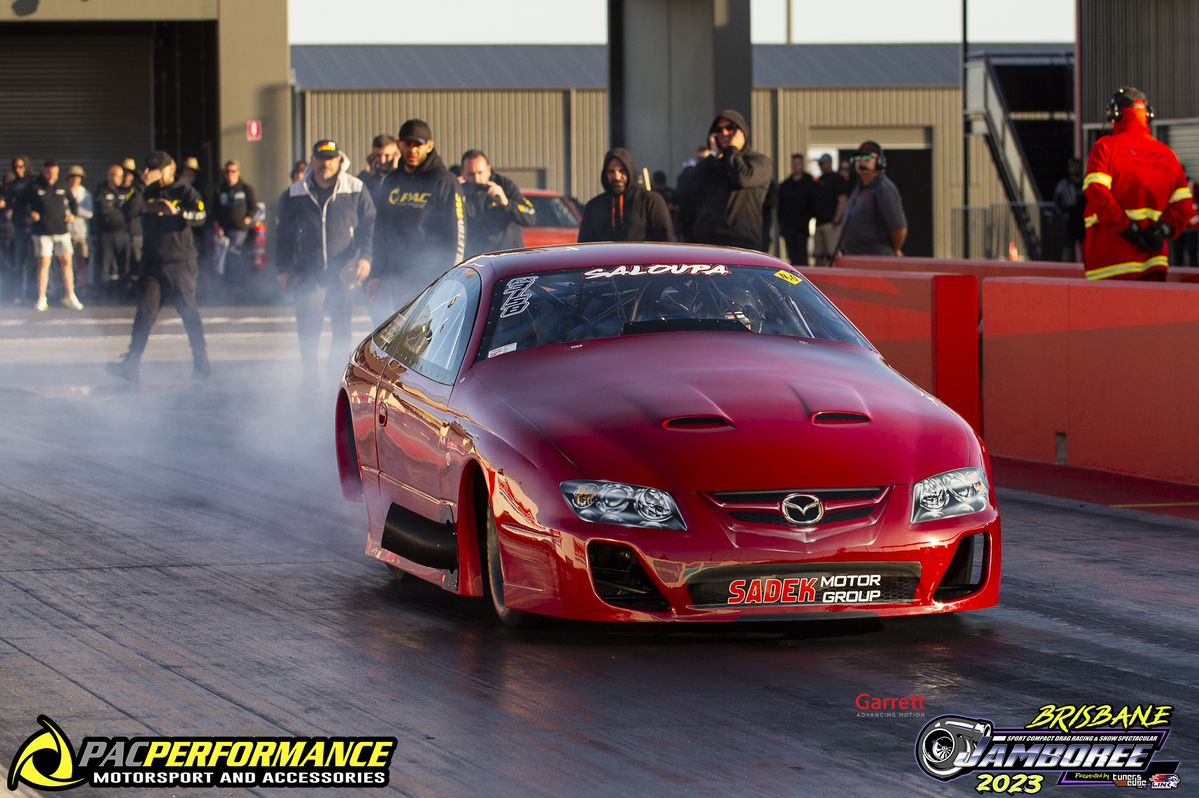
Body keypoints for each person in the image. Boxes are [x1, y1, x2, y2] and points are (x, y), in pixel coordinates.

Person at [276, 140, 375, 395]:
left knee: (342, 329)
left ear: (340, 160)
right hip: (309, 274)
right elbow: (283, 233)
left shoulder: (355, 188)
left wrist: (365, 257)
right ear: (313, 161)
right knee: (308, 327)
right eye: (320, 158)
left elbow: (369, 225)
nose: (325, 163)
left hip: (344, 273)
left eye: (330, 158)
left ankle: (336, 381)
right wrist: (282, 268)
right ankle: (309, 379)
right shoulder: (295, 192)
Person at [105, 151, 209, 382]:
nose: (156, 175)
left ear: (171, 167)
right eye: (152, 171)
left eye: (159, 170)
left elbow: (201, 214)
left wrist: (177, 212)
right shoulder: (147, 190)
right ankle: (131, 364)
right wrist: (142, 183)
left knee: (188, 311)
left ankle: (202, 364)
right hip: (152, 261)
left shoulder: (185, 190)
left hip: (180, 261)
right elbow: (126, 208)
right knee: (145, 312)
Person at [1083, 87, 1191, 281]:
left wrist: (1130, 230)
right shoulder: (1167, 155)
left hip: (1109, 263)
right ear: (1147, 114)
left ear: (1115, 113)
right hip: (1153, 264)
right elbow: (1184, 207)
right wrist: (1161, 231)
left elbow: (1098, 196)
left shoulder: (1104, 148)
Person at [368, 119, 465, 322]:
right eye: (407, 144)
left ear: (429, 146)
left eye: (418, 145)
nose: (412, 150)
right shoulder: (392, 180)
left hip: (432, 279)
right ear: (398, 144)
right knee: (401, 333)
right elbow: (380, 230)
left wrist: (450, 279)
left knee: (428, 333)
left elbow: (457, 234)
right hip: (397, 278)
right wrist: (376, 272)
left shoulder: (445, 181)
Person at [678, 110, 773, 249]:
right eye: (718, 130)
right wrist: (712, 155)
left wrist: (733, 149)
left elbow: (741, 178)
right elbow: (687, 190)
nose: (724, 133)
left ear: (741, 132)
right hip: (706, 242)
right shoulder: (712, 164)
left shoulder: (759, 161)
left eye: (730, 128)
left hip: (740, 243)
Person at [16, 160, 82, 311]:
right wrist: (30, 213)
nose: (51, 176)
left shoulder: (62, 185)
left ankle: (70, 295)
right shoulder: (34, 185)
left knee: (67, 262)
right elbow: (20, 202)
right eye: (48, 173)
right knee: (44, 263)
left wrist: (73, 215)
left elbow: (73, 203)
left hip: (62, 231)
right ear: (43, 171)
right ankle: (41, 298)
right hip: (42, 232)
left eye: (54, 174)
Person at [578, 148, 673, 243]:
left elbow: (665, 242)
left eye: (622, 171)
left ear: (630, 171)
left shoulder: (651, 202)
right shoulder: (594, 206)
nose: (617, 177)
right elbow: (584, 245)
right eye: (611, 171)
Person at [459, 149, 535, 257]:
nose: (476, 178)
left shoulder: (504, 185)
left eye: (480, 173)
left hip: (508, 256)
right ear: (462, 172)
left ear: (488, 170)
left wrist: (506, 203)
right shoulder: (458, 190)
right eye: (471, 174)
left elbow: (530, 217)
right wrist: (456, 204)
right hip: (475, 257)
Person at [838, 141, 907, 258]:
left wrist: (895, 249)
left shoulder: (883, 187)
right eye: (858, 157)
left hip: (876, 258)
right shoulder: (859, 186)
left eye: (867, 157)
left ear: (879, 161)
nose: (861, 160)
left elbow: (899, 228)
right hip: (854, 257)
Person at [213, 160, 257, 280]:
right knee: (224, 258)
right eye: (227, 171)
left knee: (235, 253)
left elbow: (254, 207)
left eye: (233, 171)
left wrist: (248, 219)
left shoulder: (245, 188)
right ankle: (227, 283)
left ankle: (239, 282)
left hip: (240, 229)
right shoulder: (219, 190)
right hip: (224, 231)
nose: (230, 174)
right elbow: (214, 211)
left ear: (238, 172)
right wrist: (217, 226)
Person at [93, 164, 131, 291]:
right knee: (104, 265)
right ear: (109, 176)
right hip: (106, 234)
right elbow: (104, 209)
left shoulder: (124, 191)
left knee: (124, 265)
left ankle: (123, 292)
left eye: (121, 176)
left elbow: (130, 209)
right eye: (115, 176)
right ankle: (102, 293)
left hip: (123, 233)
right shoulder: (101, 190)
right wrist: (119, 208)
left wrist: (115, 207)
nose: (119, 179)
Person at [777, 154, 818, 265]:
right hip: (788, 228)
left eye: (798, 164)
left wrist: (807, 219)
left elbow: (813, 204)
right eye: (794, 164)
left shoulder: (809, 183)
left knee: (802, 255)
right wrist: (782, 226)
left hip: (803, 227)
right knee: (792, 256)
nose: (796, 166)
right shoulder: (785, 185)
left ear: (802, 165)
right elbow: (781, 207)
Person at [5, 156, 34, 302]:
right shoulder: (13, 185)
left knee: (35, 261)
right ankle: (18, 294)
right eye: (16, 167)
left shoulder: (33, 182)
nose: (18, 170)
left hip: (34, 227)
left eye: (21, 166)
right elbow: (9, 202)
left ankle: (34, 293)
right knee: (19, 262)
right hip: (19, 227)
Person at [1053, 157, 1086, 262]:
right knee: (1068, 245)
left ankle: (1085, 265)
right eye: (1073, 166)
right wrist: (1065, 213)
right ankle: (1066, 266)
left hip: (1083, 218)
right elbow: (1057, 200)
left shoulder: (1085, 183)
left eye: (1078, 166)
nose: (1076, 168)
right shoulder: (1065, 184)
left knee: (1084, 245)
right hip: (1070, 219)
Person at [66, 165, 93, 289]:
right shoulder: (63, 192)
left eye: (77, 176)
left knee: (81, 262)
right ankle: (67, 289)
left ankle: (82, 288)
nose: (74, 179)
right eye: (72, 176)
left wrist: (75, 211)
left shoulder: (85, 193)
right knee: (66, 263)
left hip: (81, 233)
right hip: (66, 233)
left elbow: (89, 213)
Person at [357, 134, 400, 206]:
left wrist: (395, 171)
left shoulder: (405, 175)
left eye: (387, 155)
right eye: (378, 156)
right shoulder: (365, 177)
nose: (382, 160)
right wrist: (369, 176)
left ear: (396, 154)